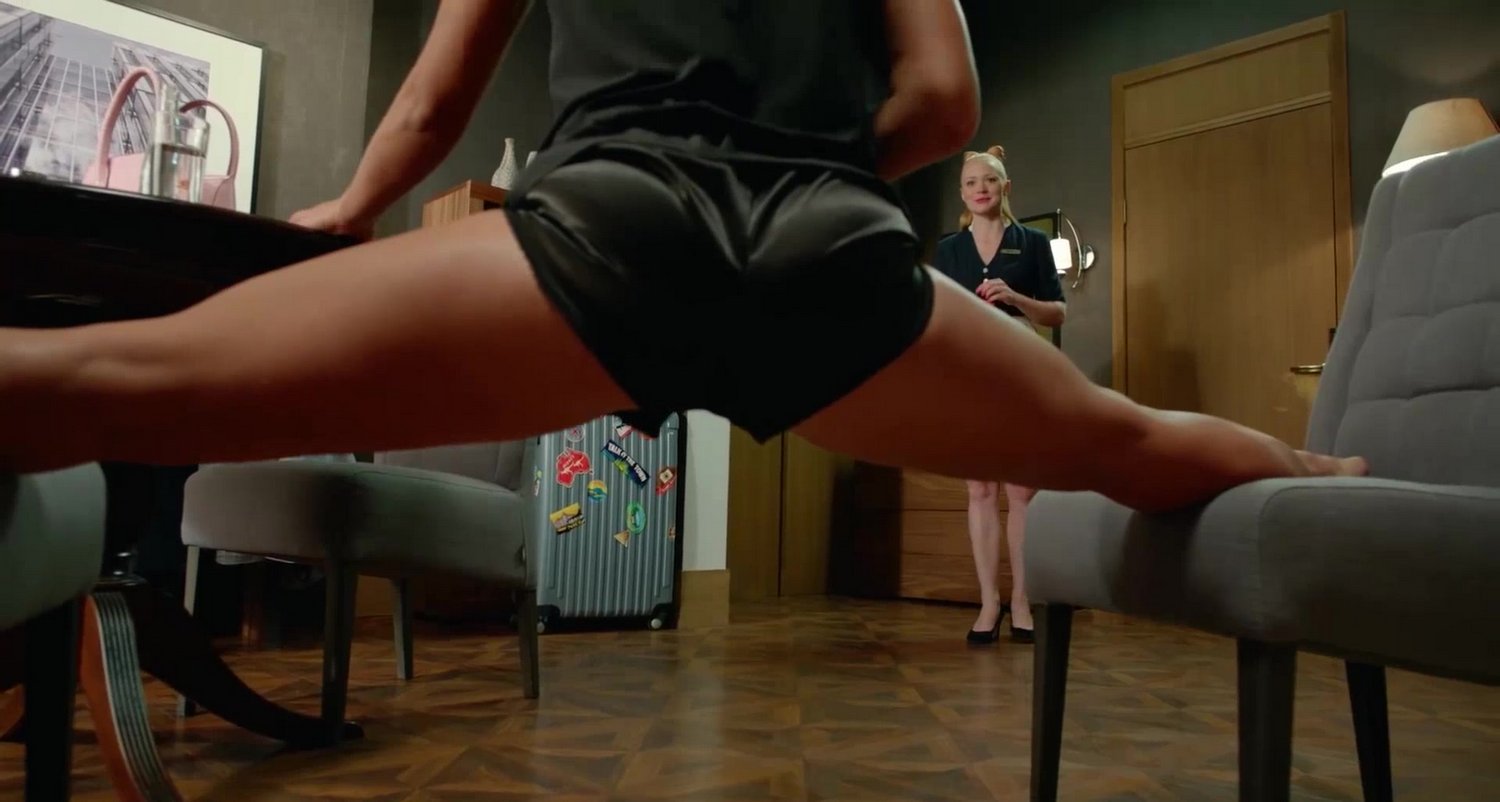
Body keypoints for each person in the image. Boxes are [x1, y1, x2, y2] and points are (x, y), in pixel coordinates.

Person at [0, 1, 1367, 521]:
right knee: (1126, 440)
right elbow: (947, 102)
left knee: (120, 375)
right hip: (832, 244)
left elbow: (428, 106)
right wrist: (810, 180)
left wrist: (348, 211)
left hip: (614, 219)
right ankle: (1330, 478)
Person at [934, 146, 1063, 645]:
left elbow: (1057, 312)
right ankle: (989, 603)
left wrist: (1015, 298)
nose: (980, 188)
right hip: (969, 374)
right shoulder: (949, 250)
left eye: (989, 180)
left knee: (1022, 492)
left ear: (1005, 187)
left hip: (1020, 369)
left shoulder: (1034, 243)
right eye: (971, 182)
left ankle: (1023, 601)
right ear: (962, 193)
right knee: (980, 489)